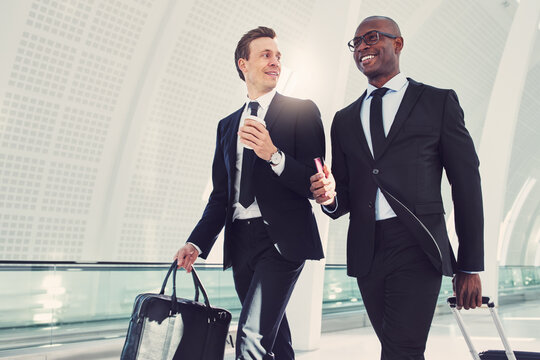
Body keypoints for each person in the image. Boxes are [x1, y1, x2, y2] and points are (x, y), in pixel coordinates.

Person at [310, 16, 484, 359]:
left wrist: (469, 264)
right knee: (396, 348)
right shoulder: (344, 120)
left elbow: (467, 185)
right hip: (367, 251)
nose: (361, 47)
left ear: (398, 43)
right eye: (356, 43)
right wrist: (328, 197)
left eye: (371, 38)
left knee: (401, 349)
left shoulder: (438, 103)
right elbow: (341, 196)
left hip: (418, 245)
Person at [174, 26, 325, 360]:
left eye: (278, 56)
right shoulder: (227, 125)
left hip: (282, 242)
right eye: (265, 55)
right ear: (243, 64)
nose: (275, 62)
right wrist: (196, 242)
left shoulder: (302, 111)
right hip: (241, 243)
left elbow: (316, 184)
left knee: (251, 338)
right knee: (276, 341)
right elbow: (221, 195)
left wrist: (274, 154)